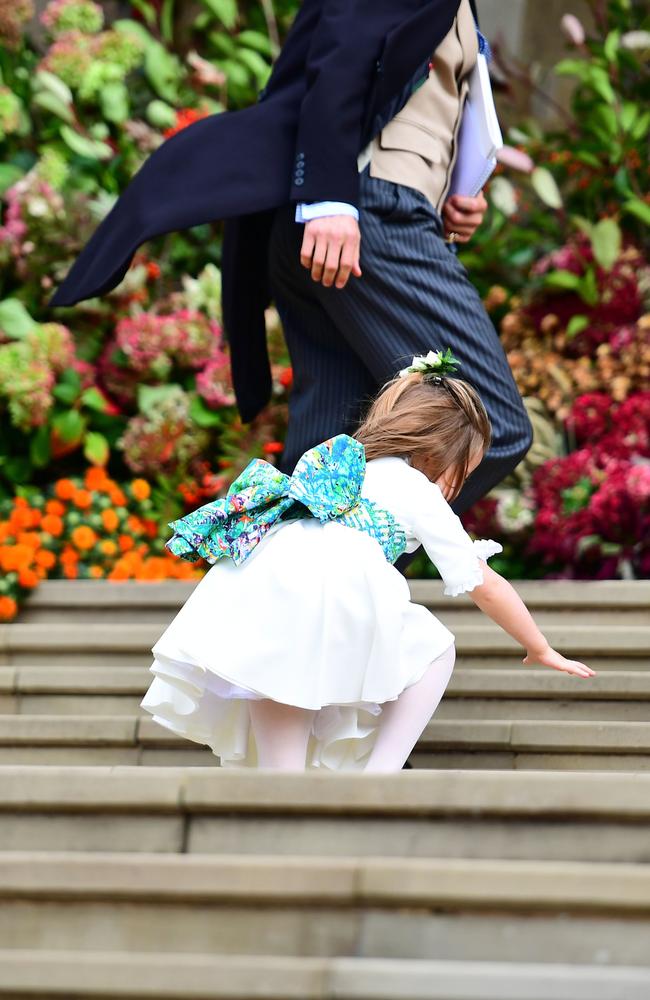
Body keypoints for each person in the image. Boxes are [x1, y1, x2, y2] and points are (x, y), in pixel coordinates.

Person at [47, 0, 532, 516]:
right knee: (483, 425)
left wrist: (448, 195)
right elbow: (343, 44)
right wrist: (328, 196)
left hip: (357, 218)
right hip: (364, 218)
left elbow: (403, 83)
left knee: (329, 459)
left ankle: (291, 585)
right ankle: (332, 576)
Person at [140, 352, 594, 773]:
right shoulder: (418, 490)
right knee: (434, 646)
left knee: (276, 681)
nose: (457, 486)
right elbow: (484, 583)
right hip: (335, 589)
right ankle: (381, 774)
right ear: (440, 455)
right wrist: (539, 647)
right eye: (463, 471)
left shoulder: (344, 466)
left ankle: (279, 796)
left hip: (270, 580)